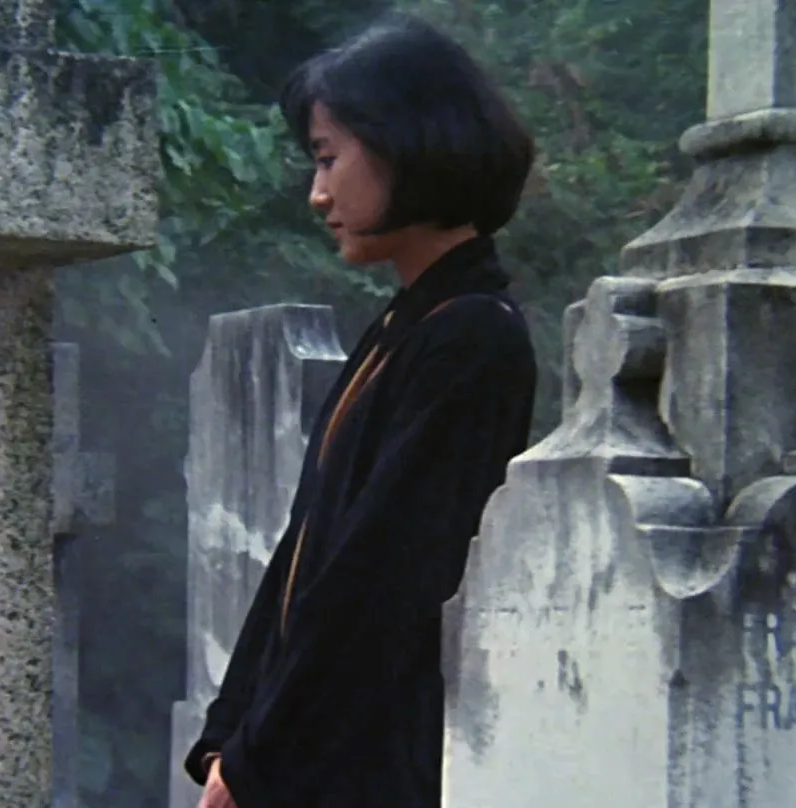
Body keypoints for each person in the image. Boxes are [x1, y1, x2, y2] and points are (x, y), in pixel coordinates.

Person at [185, 14, 539, 808]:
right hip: (311, 752)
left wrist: (259, 754)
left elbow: (379, 577)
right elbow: (305, 551)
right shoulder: (404, 327)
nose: (318, 195)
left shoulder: (472, 337)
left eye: (328, 158)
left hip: (368, 762)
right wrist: (230, 735)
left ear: (405, 145)